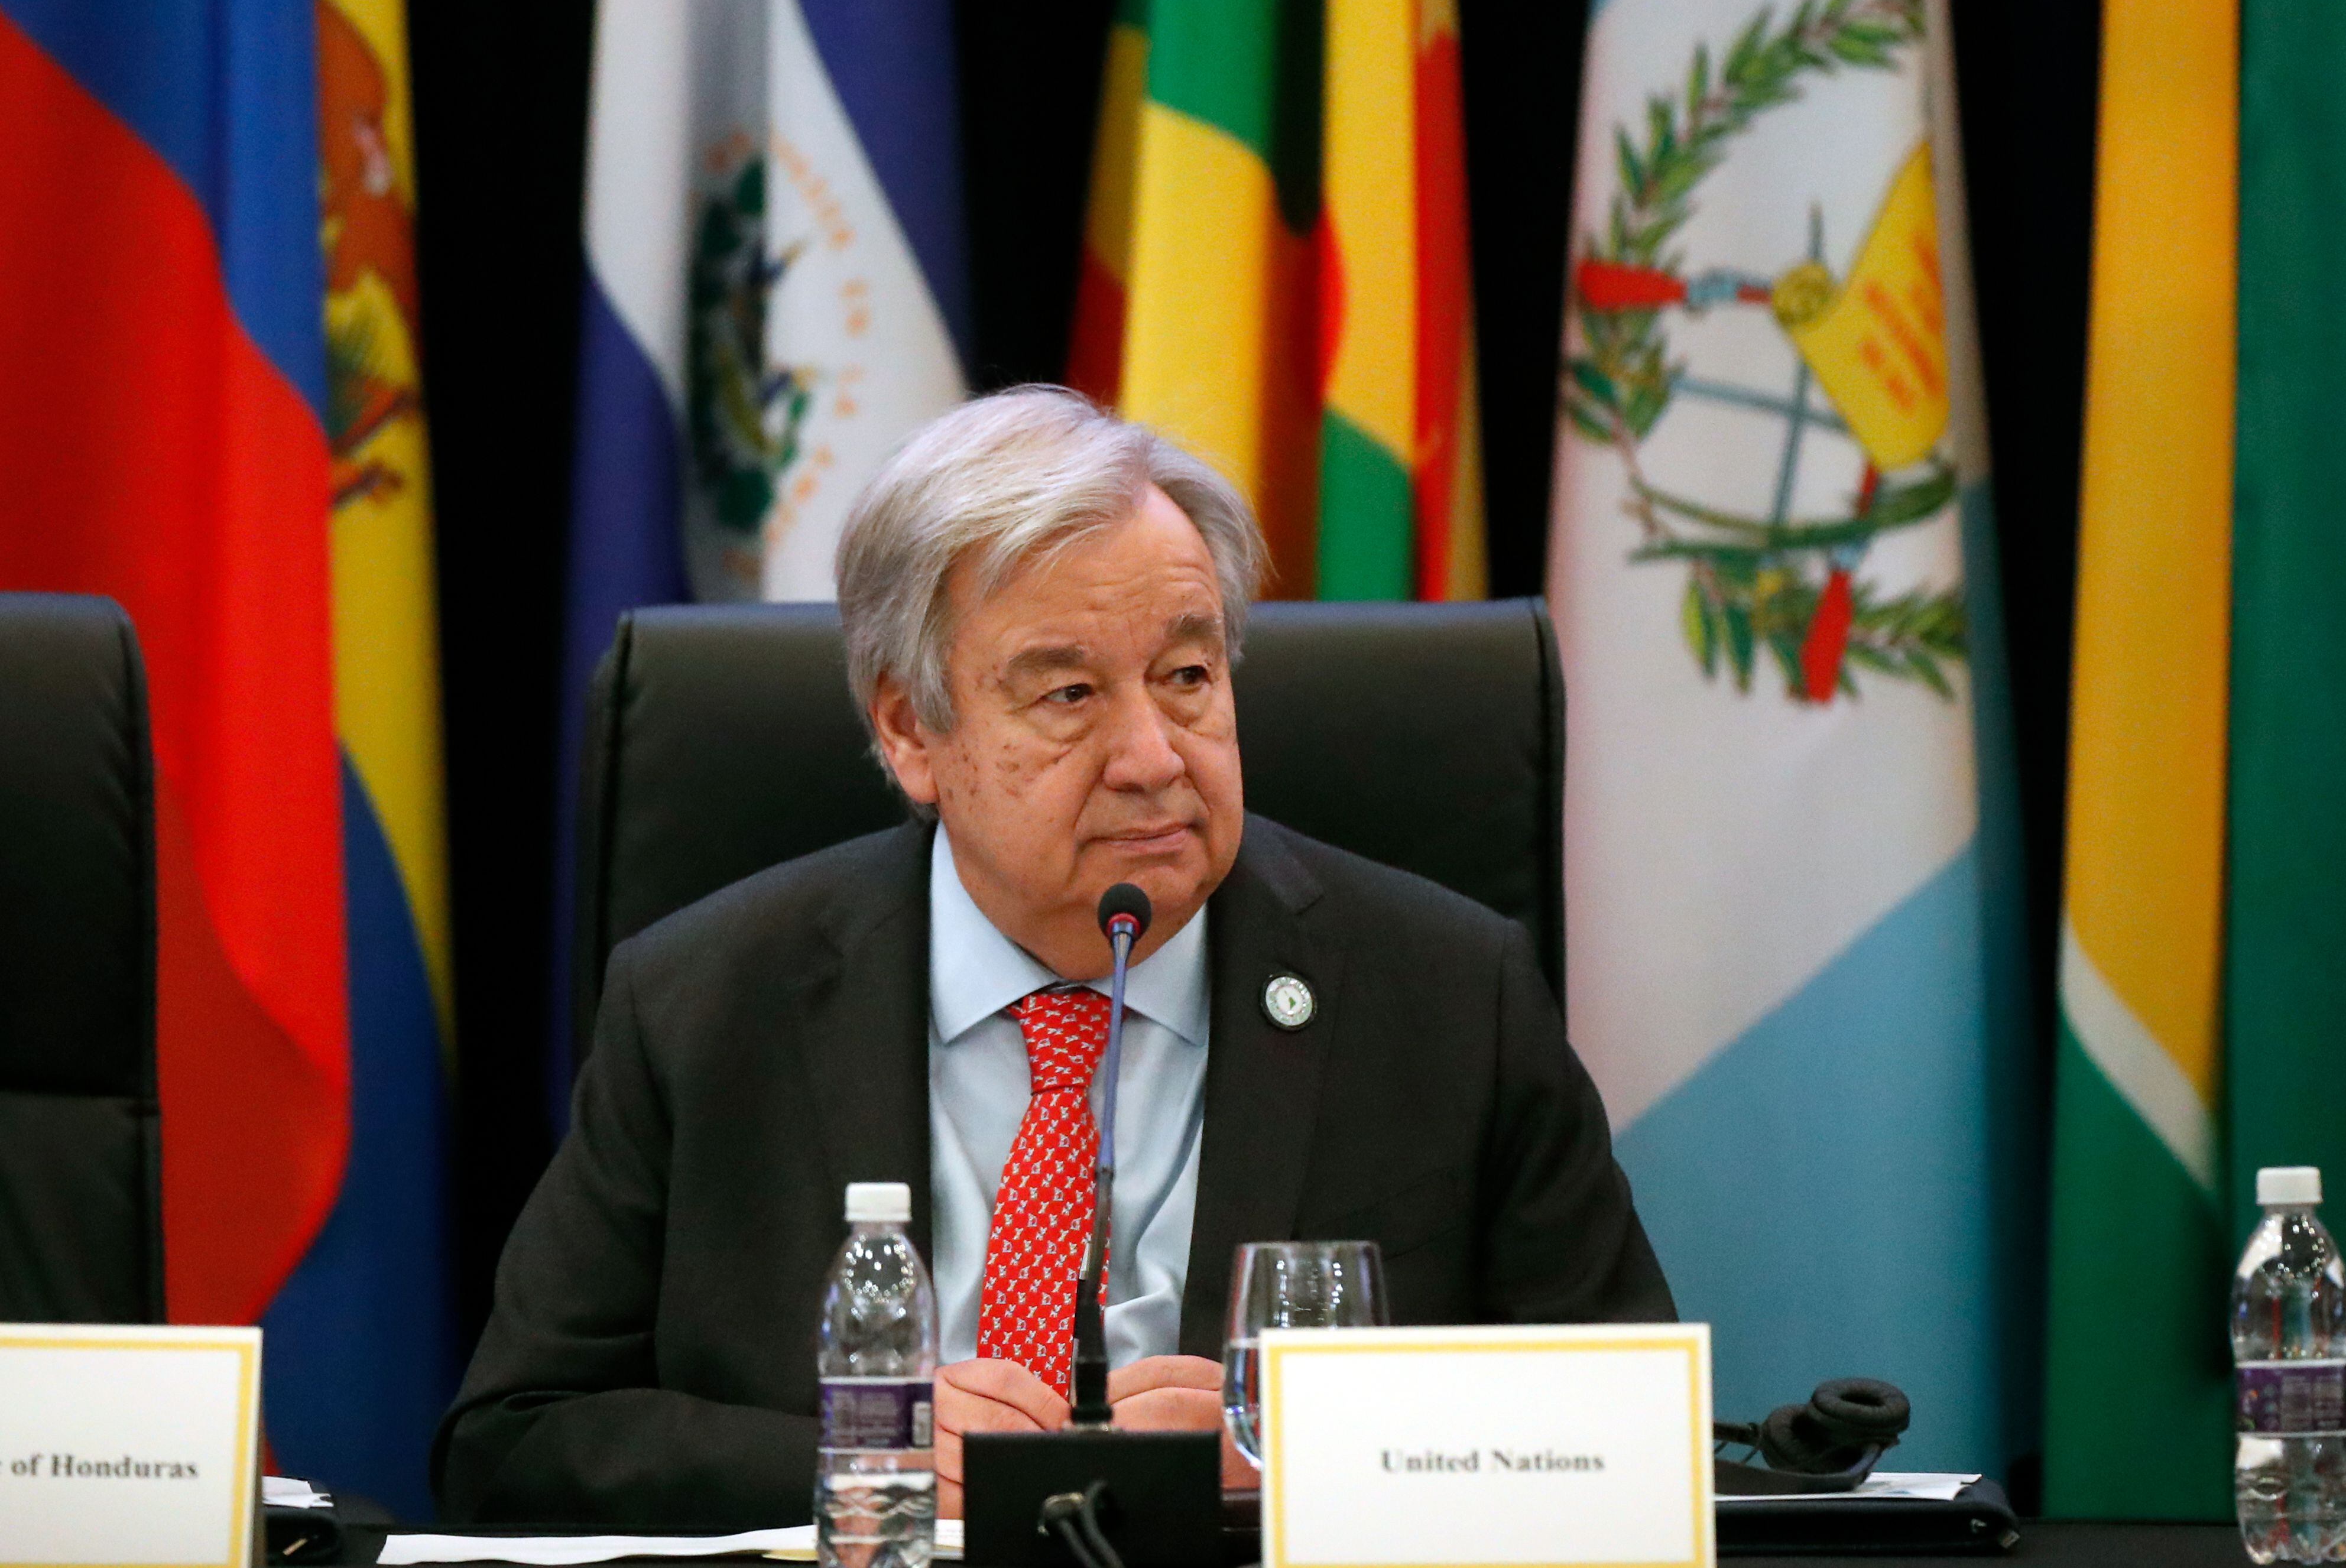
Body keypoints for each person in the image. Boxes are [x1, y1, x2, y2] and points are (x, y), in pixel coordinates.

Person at [431, 387, 1672, 1529]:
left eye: (1187, 675)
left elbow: (1637, 1440)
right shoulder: (703, 1003)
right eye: (1069, 696)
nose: (1153, 755)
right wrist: (869, 1455)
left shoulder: (1448, 997)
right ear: (912, 731)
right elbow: (515, 1440)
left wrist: (1328, 1455)